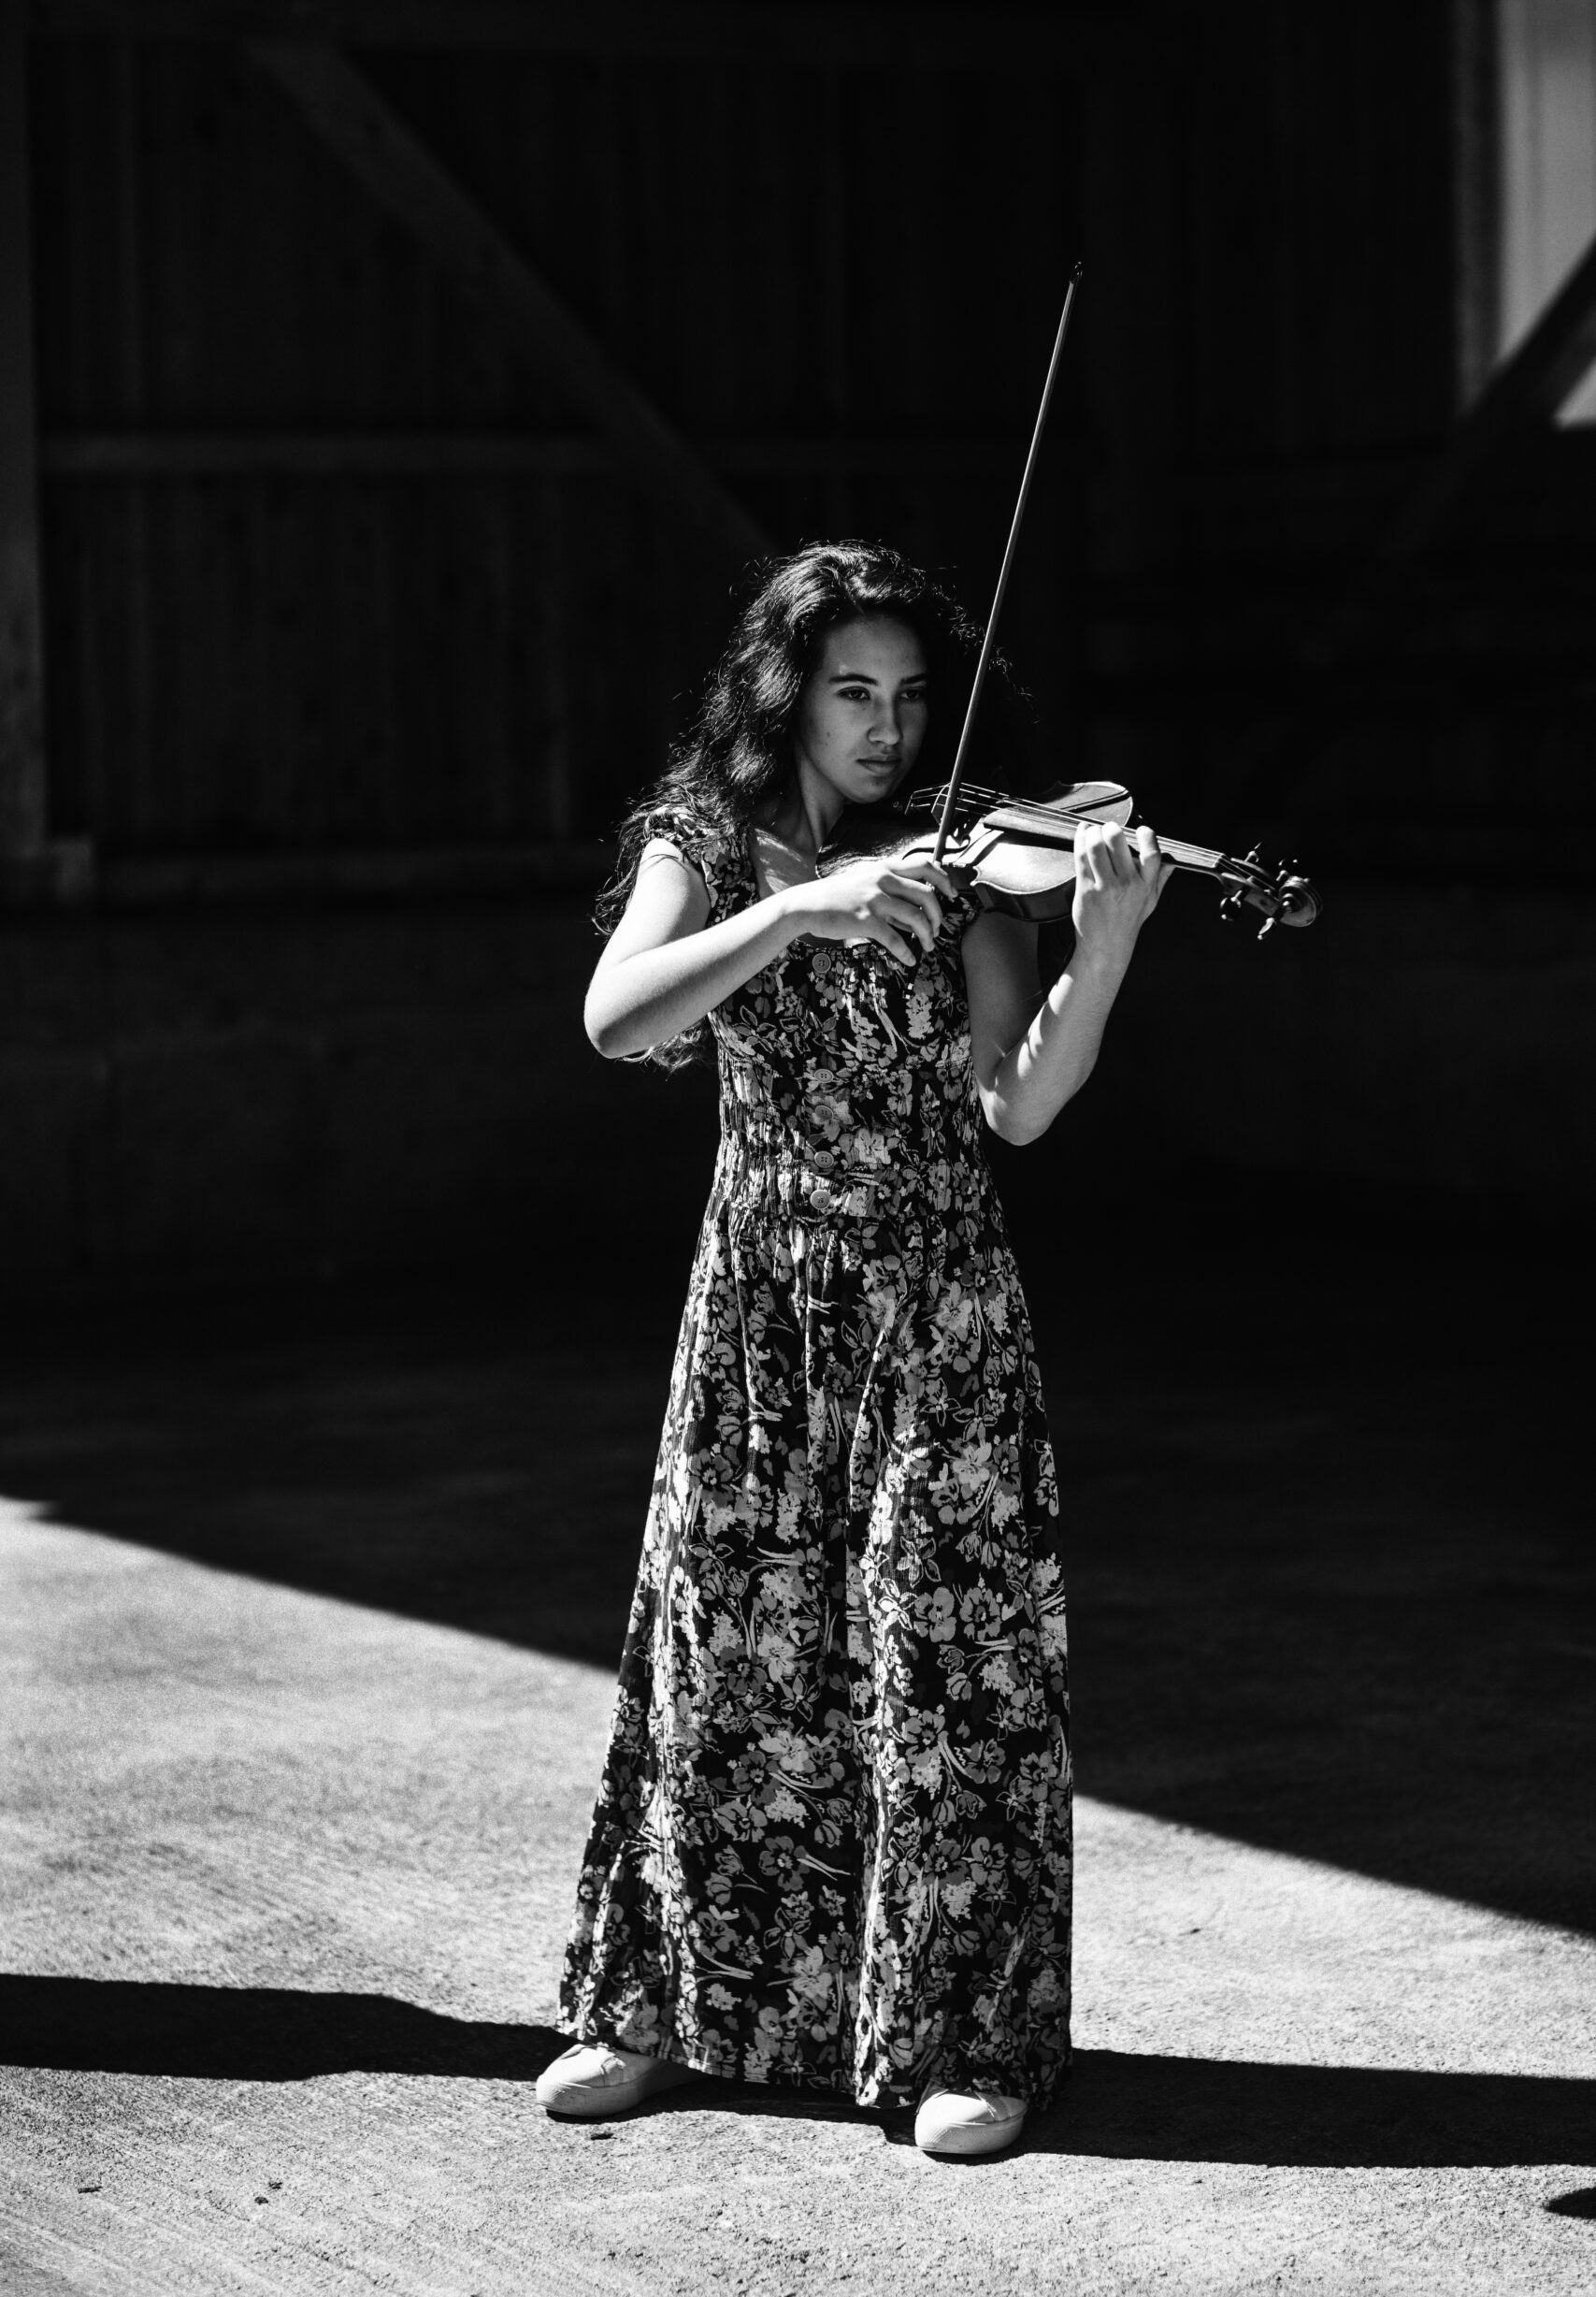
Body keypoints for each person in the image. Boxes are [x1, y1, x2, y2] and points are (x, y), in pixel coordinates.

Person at [535, 541, 1169, 2158]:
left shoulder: (961, 868)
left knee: (947, 1671)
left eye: (910, 698)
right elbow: (622, 1018)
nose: (889, 733)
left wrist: (1102, 946)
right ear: (786, 697)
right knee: (728, 1653)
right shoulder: (705, 841)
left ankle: (973, 2044)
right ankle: (671, 2010)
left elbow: (1016, 1103)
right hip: (759, 1304)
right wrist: (803, 907)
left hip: (936, 1302)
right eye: (853, 695)